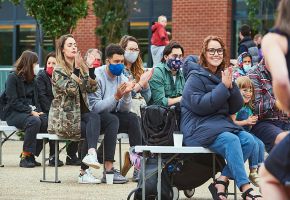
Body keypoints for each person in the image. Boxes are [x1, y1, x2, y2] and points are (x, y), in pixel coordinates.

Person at [181, 36, 262, 200]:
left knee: (249, 141)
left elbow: (235, 107)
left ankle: (221, 181)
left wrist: (231, 86)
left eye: (219, 50)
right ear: (204, 53)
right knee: (231, 140)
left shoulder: (222, 75)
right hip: (197, 128)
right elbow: (201, 106)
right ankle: (245, 187)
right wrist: (223, 87)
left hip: (218, 125)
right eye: (211, 50)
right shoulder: (194, 77)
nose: (216, 54)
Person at [48, 34, 101, 184]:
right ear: (62, 50)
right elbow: (71, 89)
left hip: (81, 115)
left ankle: (91, 154)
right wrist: (77, 70)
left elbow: (92, 88)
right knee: (90, 128)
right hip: (66, 119)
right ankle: (84, 172)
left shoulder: (81, 67)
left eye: (75, 45)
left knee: (95, 118)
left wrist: (90, 69)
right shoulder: (58, 70)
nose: (74, 47)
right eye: (70, 45)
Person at [88, 44, 142, 183]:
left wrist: (126, 95)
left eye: (122, 62)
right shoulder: (97, 76)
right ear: (108, 61)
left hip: (113, 115)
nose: (120, 65)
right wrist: (116, 97)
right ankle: (108, 170)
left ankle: (138, 165)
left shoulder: (122, 78)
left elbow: (124, 110)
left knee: (133, 118)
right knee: (113, 119)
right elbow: (95, 108)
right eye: (116, 62)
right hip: (97, 118)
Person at [258, 0, 290, 199]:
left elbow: (282, 80)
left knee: (268, 176)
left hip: (281, 121)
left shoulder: (274, 39)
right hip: (265, 123)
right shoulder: (255, 74)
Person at [36, 52, 81, 167]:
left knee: (77, 119)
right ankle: (53, 155)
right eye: (48, 63)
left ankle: (71, 154)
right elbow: (41, 96)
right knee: (51, 121)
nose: (51, 65)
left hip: (64, 109)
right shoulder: (42, 77)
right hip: (47, 109)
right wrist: (53, 110)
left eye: (54, 63)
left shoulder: (64, 75)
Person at [119, 35, 154, 181]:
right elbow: (123, 93)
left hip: (140, 107)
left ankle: (138, 163)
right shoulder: (118, 69)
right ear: (123, 50)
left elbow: (147, 97)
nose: (133, 52)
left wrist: (145, 85)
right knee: (139, 122)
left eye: (136, 49)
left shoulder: (138, 69)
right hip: (125, 109)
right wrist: (140, 84)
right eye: (130, 49)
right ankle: (138, 167)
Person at [4, 50, 45, 168]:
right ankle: (25, 156)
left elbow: (36, 100)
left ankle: (32, 155)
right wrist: (30, 111)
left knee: (46, 120)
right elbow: (13, 101)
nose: (37, 66)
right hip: (13, 113)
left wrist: (39, 111)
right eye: (35, 63)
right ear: (29, 64)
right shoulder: (13, 77)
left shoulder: (33, 79)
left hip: (28, 112)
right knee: (34, 121)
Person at [247, 60, 290, 153]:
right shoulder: (254, 73)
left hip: (286, 121)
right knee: (285, 140)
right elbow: (255, 107)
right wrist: (278, 103)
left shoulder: (284, 71)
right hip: (264, 122)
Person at [231, 76, 265, 187]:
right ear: (237, 91)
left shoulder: (248, 106)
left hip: (246, 131)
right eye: (245, 90)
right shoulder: (236, 106)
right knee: (254, 143)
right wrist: (246, 121)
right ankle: (253, 171)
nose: (248, 93)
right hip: (236, 132)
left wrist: (252, 121)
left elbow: (248, 124)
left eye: (250, 90)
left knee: (260, 143)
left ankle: (260, 169)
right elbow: (232, 122)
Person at [149, 41, 185, 107]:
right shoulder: (158, 72)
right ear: (165, 57)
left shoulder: (182, 74)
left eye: (180, 56)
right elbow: (159, 102)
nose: (178, 59)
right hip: (160, 114)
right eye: (174, 56)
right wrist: (182, 99)